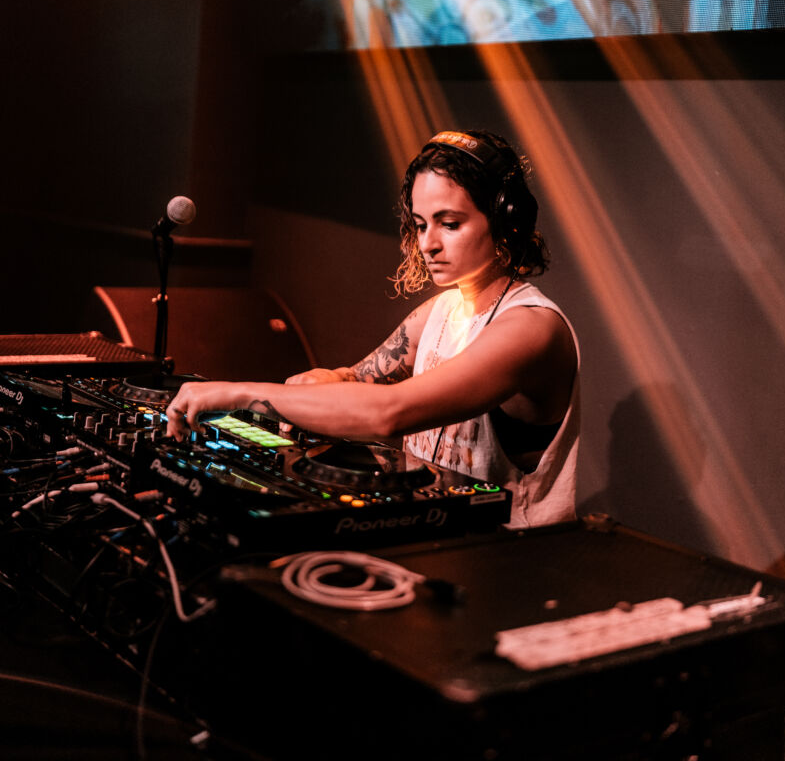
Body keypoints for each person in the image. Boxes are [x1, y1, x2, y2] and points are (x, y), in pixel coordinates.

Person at [166, 130, 580, 527]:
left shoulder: (531, 328)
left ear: (507, 222)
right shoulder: (442, 310)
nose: (428, 244)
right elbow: (355, 378)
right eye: (421, 224)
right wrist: (324, 381)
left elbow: (390, 413)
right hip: (440, 539)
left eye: (449, 223)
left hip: (509, 558)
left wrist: (239, 393)